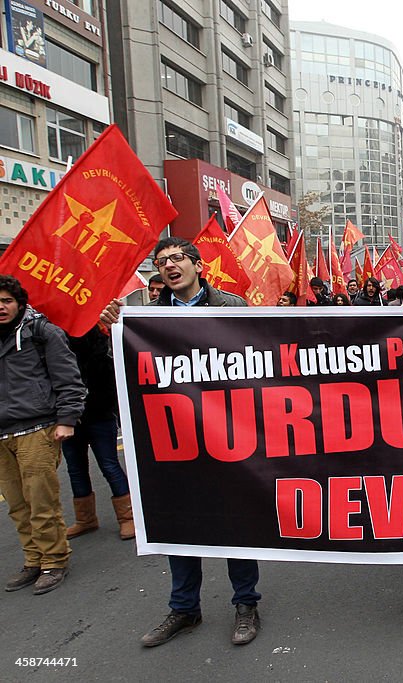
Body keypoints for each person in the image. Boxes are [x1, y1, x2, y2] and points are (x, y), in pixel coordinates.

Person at [100, 237, 262, 647]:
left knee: (235, 522)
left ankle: (246, 604)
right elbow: (128, 370)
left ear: (197, 265)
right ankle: (184, 608)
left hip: (227, 435)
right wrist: (115, 332)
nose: (170, 266)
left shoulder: (232, 307)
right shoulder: (146, 318)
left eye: (177, 258)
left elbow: (256, 359)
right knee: (179, 521)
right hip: (174, 438)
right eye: (162, 261)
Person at [0, 275, 85, 596]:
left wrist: (67, 419)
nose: (1, 307)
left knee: (41, 501)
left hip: (37, 430)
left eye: (6, 300)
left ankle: (53, 560)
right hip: (2, 435)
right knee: (17, 505)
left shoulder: (42, 332)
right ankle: (33, 559)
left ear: (19, 303)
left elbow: (69, 379)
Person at [63, 325, 134, 541]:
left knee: (109, 464)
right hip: (68, 417)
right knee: (75, 468)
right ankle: (85, 519)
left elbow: (110, 383)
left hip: (99, 415)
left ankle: (127, 517)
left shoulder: (100, 349)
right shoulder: (54, 342)